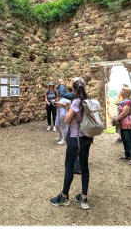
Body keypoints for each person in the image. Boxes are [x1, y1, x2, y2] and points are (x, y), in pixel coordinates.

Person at [50, 78, 93, 209]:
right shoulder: (89, 99)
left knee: (69, 167)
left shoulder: (76, 102)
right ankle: (83, 198)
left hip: (75, 138)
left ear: (74, 90)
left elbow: (67, 121)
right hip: (87, 138)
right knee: (84, 167)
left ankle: (64, 196)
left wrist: (70, 113)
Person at [115, 84, 131, 165]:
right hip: (123, 123)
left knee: (129, 140)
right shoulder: (123, 101)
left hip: (128, 123)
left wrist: (117, 119)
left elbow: (124, 113)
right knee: (124, 139)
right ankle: (127, 153)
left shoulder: (128, 101)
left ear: (126, 93)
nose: (120, 91)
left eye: (122, 90)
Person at [55, 78, 71, 145]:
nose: (59, 92)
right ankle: (61, 136)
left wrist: (59, 103)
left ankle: (64, 139)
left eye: (59, 91)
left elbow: (67, 105)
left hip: (63, 112)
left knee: (64, 126)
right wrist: (56, 102)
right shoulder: (61, 97)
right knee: (56, 125)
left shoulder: (68, 97)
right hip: (59, 112)